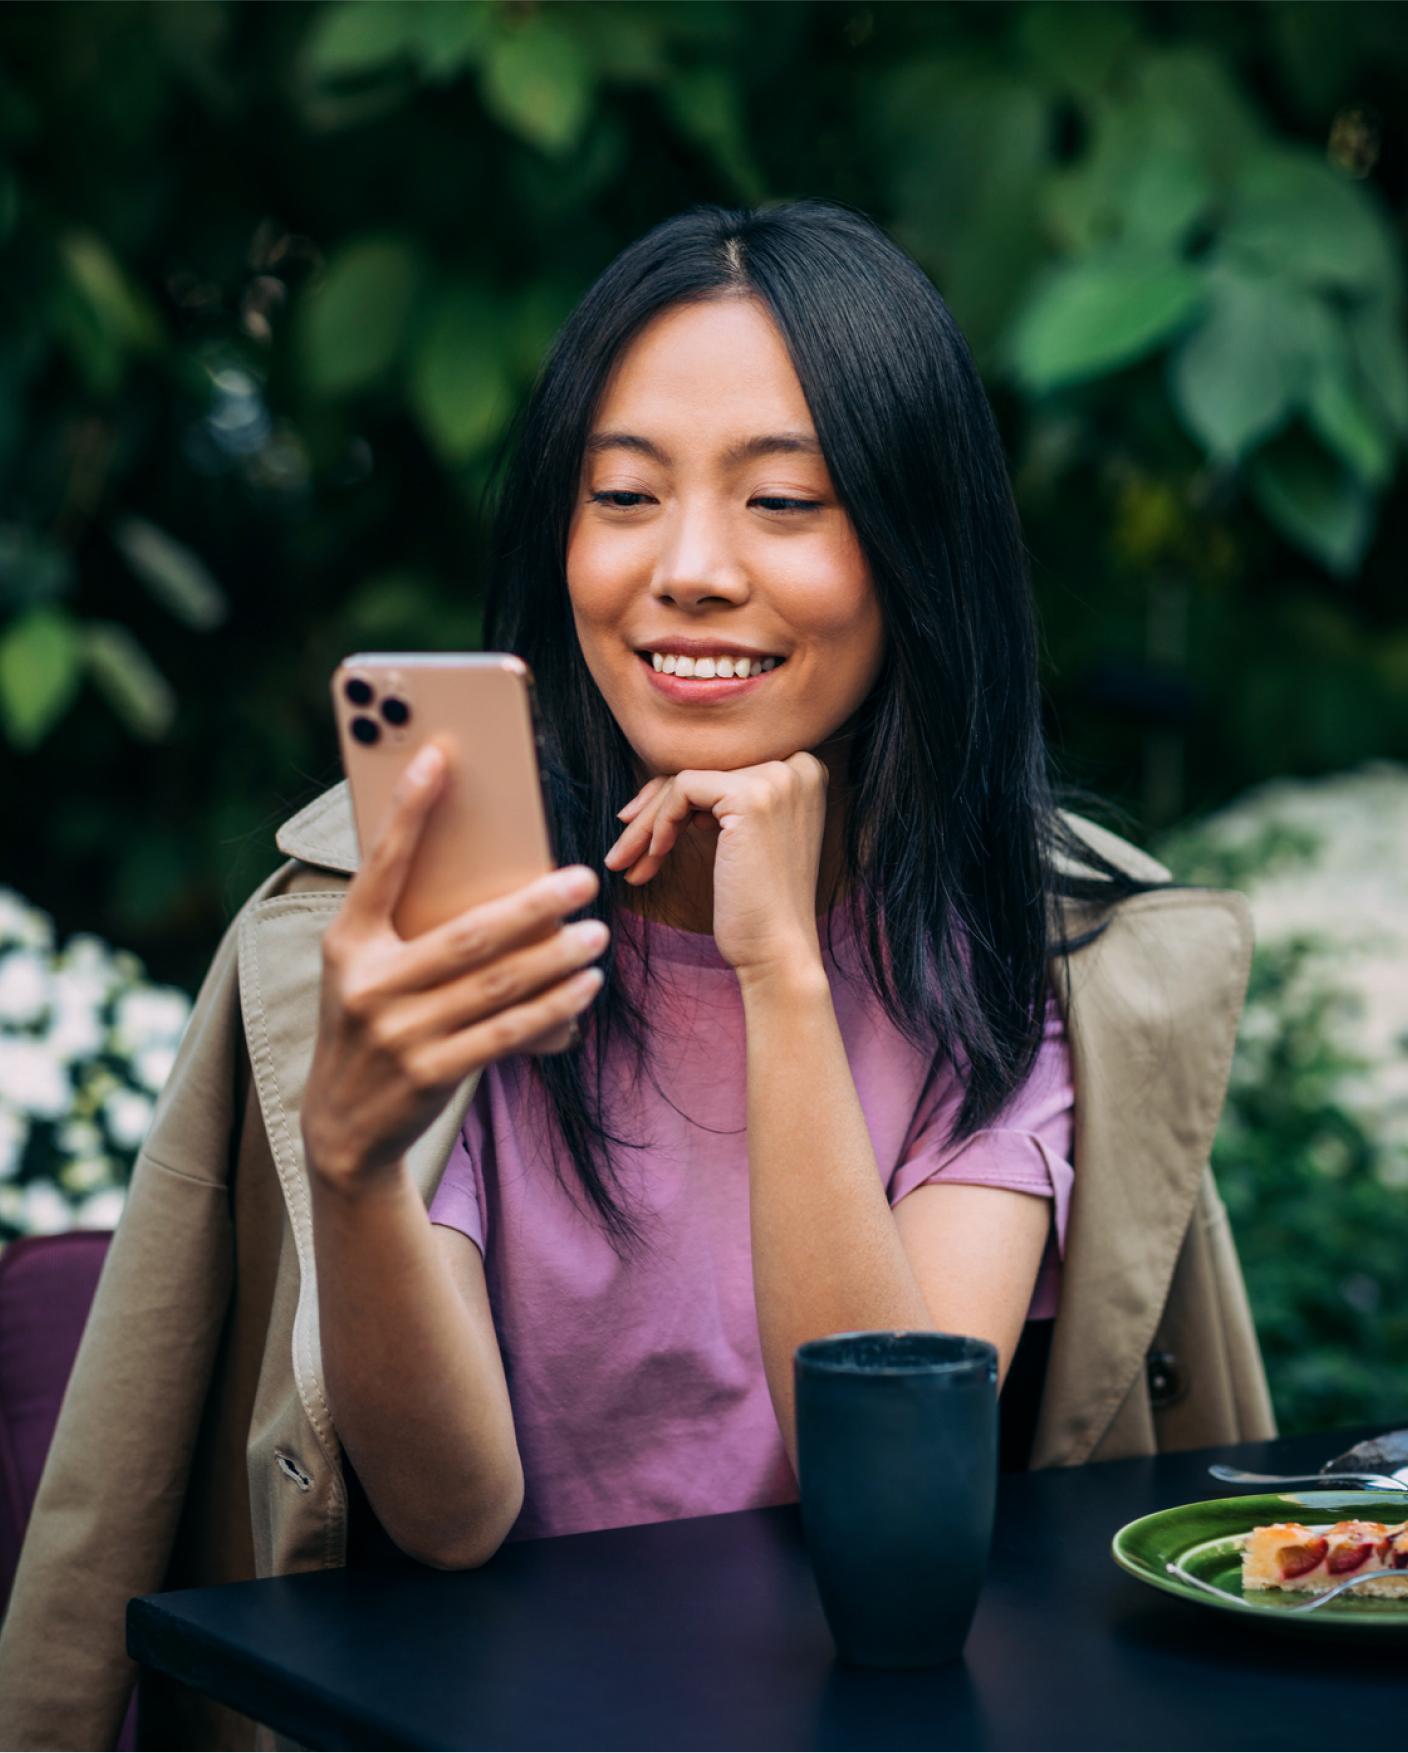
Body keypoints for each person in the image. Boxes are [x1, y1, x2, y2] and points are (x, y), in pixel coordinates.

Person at [0, 201, 1273, 1750]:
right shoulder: (451, 906)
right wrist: (348, 1166)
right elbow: (453, 1510)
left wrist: (780, 971)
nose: (688, 571)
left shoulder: (1023, 956)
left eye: (785, 502)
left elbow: (886, 1504)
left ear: (916, 548)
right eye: (623, 494)